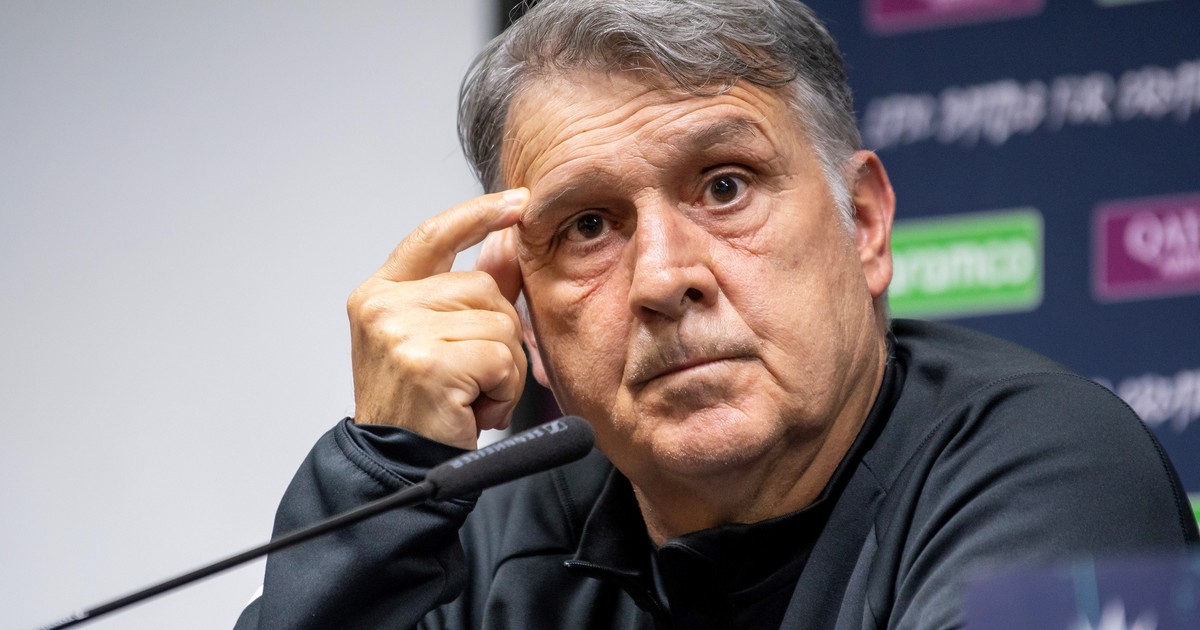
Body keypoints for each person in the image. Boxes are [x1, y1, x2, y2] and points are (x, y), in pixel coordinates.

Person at [236, 1, 1198, 628]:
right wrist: (386, 480)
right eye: (587, 227)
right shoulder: (498, 544)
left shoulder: (1050, 466)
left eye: (725, 186)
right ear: (525, 318)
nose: (663, 278)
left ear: (864, 223)